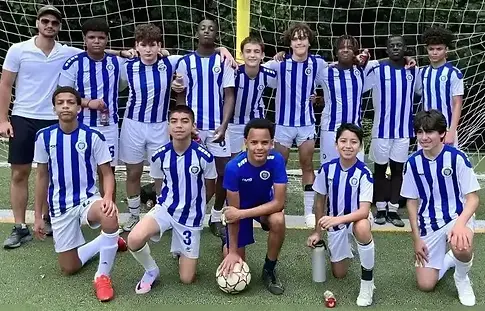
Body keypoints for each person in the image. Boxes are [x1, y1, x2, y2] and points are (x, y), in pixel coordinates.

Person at [32, 86, 126, 302]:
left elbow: (107, 173)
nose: (65, 106)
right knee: (69, 267)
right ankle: (108, 241)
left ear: (78, 108)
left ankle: (102, 276)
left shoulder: (93, 136)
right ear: (54, 108)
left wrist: (108, 198)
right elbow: (41, 177)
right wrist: (38, 215)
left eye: (70, 102)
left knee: (108, 215)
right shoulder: (44, 137)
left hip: (86, 200)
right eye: (61, 102)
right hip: (59, 206)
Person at [0, 5, 80, 248]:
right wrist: (3, 119)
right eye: (45, 21)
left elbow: (96, 48)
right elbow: (5, 84)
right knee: (20, 173)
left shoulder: (66, 52)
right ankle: (19, 226)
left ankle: (48, 219)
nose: (49, 25)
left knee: (53, 174)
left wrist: (128, 53)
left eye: (54, 23)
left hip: (53, 120)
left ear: (59, 27)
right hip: (23, 118)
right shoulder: (18, 50)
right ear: (37, 23)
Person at [127, 105, 216, 292]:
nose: (179, 126)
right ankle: (151, 271)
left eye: (185, 121)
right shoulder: (159, 155)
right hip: (166, 209)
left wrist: (196, 207)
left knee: (186, 279)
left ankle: (181, 250)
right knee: (134, 239)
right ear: (168, 127)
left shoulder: (205, 157)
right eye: (174, 121)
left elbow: (210, 188)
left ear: (193, 126)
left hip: (190, 218)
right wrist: (161, 204)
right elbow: (158, 184)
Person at [401, 109, 479, 307]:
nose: (424, 137)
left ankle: (462, 278)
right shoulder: (412, 163)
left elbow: (472, 198)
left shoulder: (457, 158)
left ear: (442, 133)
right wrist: (416, 238)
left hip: (456, 216)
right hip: (429, 222)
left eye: (430, 132)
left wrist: (461, 224)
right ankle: (450, 259)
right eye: (420, 132)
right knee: (426, 284)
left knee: (461, 243)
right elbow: (411, 202)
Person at [173, 19, 235, 238]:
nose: (207, 31)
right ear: (196, 32)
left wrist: (224, 126)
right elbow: (180, 96)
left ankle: (216, 215)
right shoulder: (184, 62)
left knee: (224, 173)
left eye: (211, 28)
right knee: (189, 173)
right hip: (194, 129)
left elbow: (229, 95)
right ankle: (186, 213)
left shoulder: (224, 61)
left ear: (216, 34)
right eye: (203, 28)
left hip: (217, 127)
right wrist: (185, 127)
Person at [58, 17, 131, 202]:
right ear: (85, 39)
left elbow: (122, 85)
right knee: (80, 168)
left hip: (110, 127)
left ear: (107, 39)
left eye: (100, 37)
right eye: (92, 37)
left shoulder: (118, 63)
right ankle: (77, 207)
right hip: (81, 126)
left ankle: (109, 211)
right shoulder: (73, 63)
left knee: (107, 170)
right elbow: (63, 94)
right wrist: (86, 102)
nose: (96, 41)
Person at [263, 22, 328, 228]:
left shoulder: (318, 63)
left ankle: (309, 211)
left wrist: (318, 98)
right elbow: (252, 68)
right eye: (295, 38)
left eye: (303, 37)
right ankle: (277, 206)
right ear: (290, 43)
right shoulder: (278, 64)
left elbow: (331, 81)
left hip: (307, 124)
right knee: (278, 165)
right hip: (283, 124)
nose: (299, 41)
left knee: (307, 165)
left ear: (309, 41)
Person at [118, 23, 181, 231]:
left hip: (160, 126)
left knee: (161, 174)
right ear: (136, 46)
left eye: (152, 45)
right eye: (143, 45)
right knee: (133, 172)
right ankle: (134, 215)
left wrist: (222, 49)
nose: (148, 49)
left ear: (159, 46)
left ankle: (161, 214)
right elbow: (96, 51)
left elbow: (200, 54)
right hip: (132, 125)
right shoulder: (127, 66)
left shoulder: (170, 64)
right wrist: (120, 51)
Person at [307, 123, 375, 307]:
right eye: (343, 141)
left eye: (353, 142)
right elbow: (319, 201)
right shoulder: (326, 169)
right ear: (336, 144)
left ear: (360, 146)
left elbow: (364, 211)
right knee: (339, 274)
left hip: (356, 220)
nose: (348, 145)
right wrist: (317, 232)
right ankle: (348, 248)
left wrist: (338, 219)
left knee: (361, 226)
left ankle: (368, 283)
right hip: (334, 224)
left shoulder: (364, 173)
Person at [219, 118, 287, 295]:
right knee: (235, 263)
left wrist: (242, 214)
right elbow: (233, 213)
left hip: (262, 207)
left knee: (278, 219)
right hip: (238, 208)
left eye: (264, 142)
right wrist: (232, 251)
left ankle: (269, 269)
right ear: (245, 143)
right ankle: (226, 241)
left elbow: (279, 203)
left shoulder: (277, 160)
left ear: (272, 143)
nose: (259, 147)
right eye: (254, 142)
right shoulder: (233, 168)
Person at [366, 35, 419, 227]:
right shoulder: (376, 68)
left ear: (405, 49)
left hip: (403, 131)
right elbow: (356, 71)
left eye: (399, 45)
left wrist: (411, 61)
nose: (396, 48)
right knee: (379, 170)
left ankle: (394, 209)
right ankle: (380, 208)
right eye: (392, 46)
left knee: (398, 171)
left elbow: (420, 90)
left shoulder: (413, 70)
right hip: (381, 130)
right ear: (386, 50)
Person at [319, 35, 374, 165]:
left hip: (355, 129)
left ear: (354, 52)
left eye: (349, 47)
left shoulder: (362, 71)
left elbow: (390, 62)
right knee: (329, 170)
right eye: (341, 47)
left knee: (356, 171)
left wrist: (407, 58)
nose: (345, 50)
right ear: (336, 51)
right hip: (331, 130)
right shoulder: (325, 72)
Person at [228, 36, 277, 157]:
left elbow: (287, 86)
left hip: (256, 121)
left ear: (262, 55)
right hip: (233, 123)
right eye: (248, 51)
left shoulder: (268, 74)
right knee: (234, 160)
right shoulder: (233, 73)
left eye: (256, 51)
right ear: (241, 54)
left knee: (260, 155)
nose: (252, 55)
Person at [418, 26, 463, 147]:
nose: (435, 52)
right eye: (431, 49)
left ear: (446, 50)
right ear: (426, 50)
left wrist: (452, 131)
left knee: (446, 165)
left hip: (446, 130)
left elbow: (457, 103)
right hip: (426, 130)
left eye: (439, 49)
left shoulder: (454, 73)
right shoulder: (422, 73)